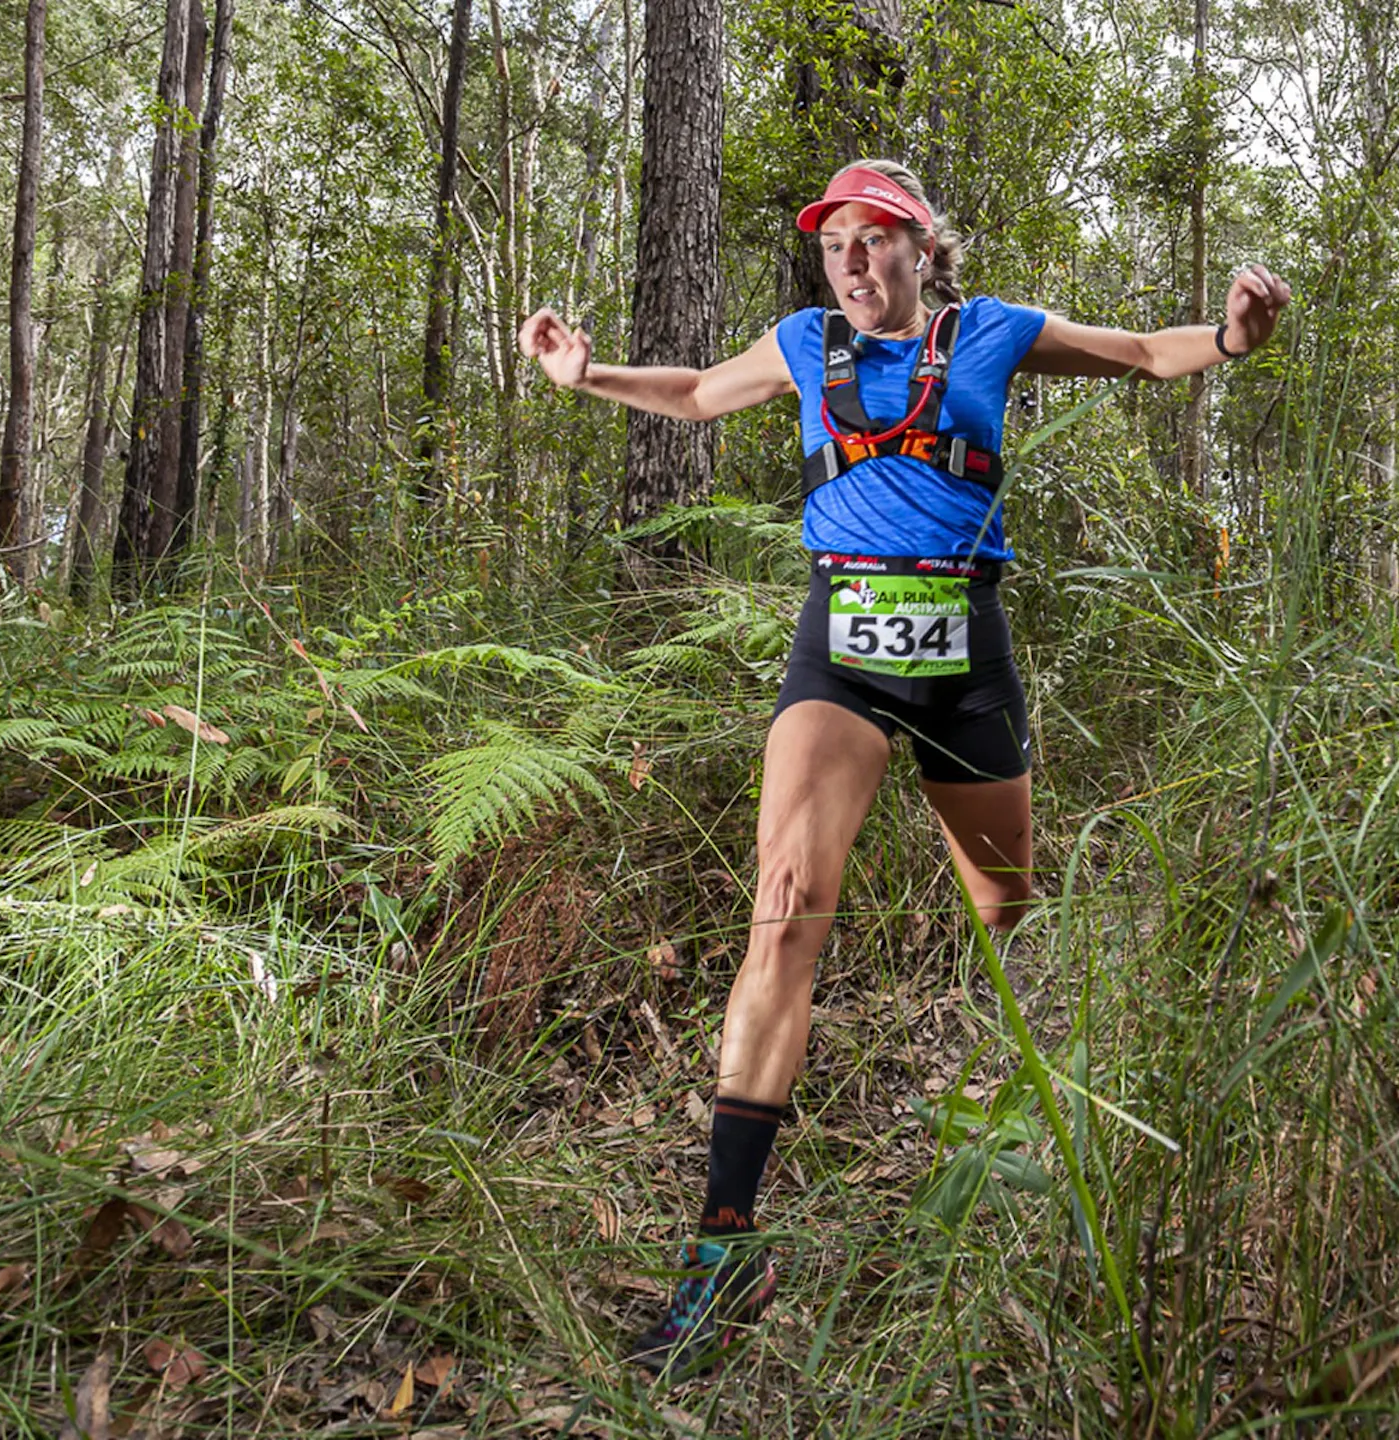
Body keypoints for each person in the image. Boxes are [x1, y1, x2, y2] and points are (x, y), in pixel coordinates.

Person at [517, 159, 1291, 1383]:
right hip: (844, 652)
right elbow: (703, 394)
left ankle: (1001, 1100)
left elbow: (1144, 355)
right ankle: (725, 1249)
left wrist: (1230, 339)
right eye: (838, 246)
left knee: (1006, 909)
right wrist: (586, 374)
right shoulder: (804, 343)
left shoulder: (992, 335)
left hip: (964, 657)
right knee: (781, 916)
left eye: (879, 242)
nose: (856, 263)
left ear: (927, 250)